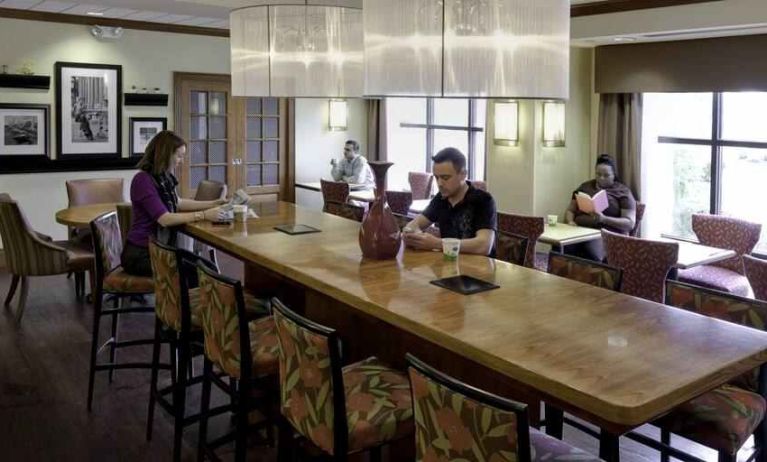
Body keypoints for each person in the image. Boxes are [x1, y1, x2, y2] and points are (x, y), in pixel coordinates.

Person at [121, 130, 226, 277]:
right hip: (141, 254)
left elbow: (178, 203)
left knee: (209, 268)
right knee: (203, 273)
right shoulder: (142, 180)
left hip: (160, 250)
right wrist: (204, 215)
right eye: (179, 156)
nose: (181, 161)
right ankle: (182, 300)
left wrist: (213, 203)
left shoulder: (164, 176)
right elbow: (164, 219)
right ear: (165, 154)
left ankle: (183, 300)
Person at [403, 147, 497, 256]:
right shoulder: (441, 199)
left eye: (445, 178)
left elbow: (484, 246)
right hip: (449, 265)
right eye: (436, 178)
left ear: (463, 174)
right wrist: (410, 232)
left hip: (478, 268)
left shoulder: (483, 200)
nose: (439, 183)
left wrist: (438, 244)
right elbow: (416, 224)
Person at [564, 154, 637, 261]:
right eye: (598, 174)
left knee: (590, 252)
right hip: (580, 231)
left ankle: (592, 277)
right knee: (560, 247)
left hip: (605, 235)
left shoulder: (623, 192)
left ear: (614, 175)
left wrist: (604, 219)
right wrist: (570, 221)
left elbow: (629, 223)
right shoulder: (585, 187)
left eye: (606, 175)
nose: (601, 178)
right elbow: (570, 210)